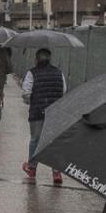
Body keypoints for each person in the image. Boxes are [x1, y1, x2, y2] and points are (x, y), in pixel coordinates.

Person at [21, 48, 66, 186]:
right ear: (49, 59)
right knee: (53, 141)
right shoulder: (59, 73)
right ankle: (56, 172)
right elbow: (63, 91)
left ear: (36, 59)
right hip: (54, 113)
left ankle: (32, 169)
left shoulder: (32, 73)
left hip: (37, 112)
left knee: (35, 140)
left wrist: (31, 101)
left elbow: (26, 93)